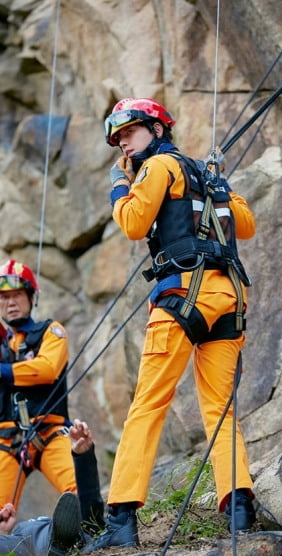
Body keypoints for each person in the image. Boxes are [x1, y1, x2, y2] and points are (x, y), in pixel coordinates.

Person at [84, 97, 256, 551]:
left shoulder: (157, 168)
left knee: (148, 404)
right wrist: (221, 188)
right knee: (221, 409)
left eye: (129, 132)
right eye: (118, 138)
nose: (123, 142)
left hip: (183, 295)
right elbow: (246, 223)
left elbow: (135, 223)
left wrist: (120, 187)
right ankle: (240, 508)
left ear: (157, 130)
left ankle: (120, 516)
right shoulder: (205, 175)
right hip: (229, 298)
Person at [0, 260, 75, 510]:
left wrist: (4, 371)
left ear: (31, 296)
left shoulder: (51, 332)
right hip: (6, 440)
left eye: (17, 295)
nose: (10, 302)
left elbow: (47, 369)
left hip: (49, 433)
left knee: (79, 491)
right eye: (4, 297)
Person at [0, 419, 105, 556]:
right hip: (6, 437)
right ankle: (63, 540)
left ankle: (65, 539)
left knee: (80, 509)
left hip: (50, 427)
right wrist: (3, 530)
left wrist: (83, 456)